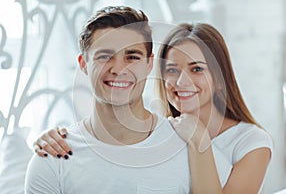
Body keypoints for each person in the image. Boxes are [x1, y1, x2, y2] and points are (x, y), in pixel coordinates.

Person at [32, 20, 273, 193]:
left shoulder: (250, 141)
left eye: (196, 69)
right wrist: (51, 136)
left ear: (220, 78)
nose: (181, 82)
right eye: (171, 70)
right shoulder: (168, 129)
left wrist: (199, 139)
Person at [25, 6, 191, 194]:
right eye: (105, 57)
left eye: (132, 57)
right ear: (83, 64)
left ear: (149, 64)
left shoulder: (186, 145)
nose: (118, 69)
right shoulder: (53, 159)